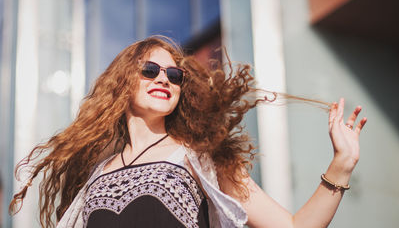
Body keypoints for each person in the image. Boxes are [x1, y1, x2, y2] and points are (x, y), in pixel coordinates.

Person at [9, 36, 367, 228]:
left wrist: (342, 163)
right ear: (121, 83)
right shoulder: (96, 176)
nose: (164, 77)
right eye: (150, 70)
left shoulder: (199, 157)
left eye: (174, 74)